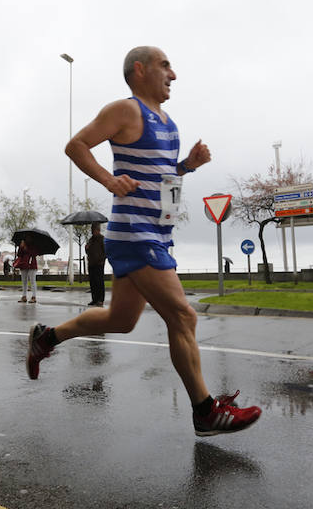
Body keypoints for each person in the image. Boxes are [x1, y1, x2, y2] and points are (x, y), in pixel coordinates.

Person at [26, 46, 262, 436]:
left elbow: (164, 176)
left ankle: (46, 338)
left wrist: (188, 166)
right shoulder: (126, 110)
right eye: (165, 65)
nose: (173, 74)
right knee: (183, 316)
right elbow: (76, 145)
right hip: (135, 233)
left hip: (156, 233)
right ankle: (205, 411)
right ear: (140, 70)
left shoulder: (169, 124)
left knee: (120, 321)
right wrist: (109, 180)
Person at [85, 223, 106, 307]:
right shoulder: (91, 239)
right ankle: (94, 299)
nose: (92, 231)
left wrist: (101, 260)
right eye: (91, 230)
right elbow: (88, 251)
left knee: (99, 282)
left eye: (93, 230)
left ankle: (100, 300)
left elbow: (106, 251)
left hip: (99, 264)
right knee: (93, 282)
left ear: (98, 230)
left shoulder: (102, 239)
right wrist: (86, 248)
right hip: (91, 264)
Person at [14, 237, 38, 303]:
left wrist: (26, 248)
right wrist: (21, 247)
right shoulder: (22, 243)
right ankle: (24, 296)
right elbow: (19, 254)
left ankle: (34, 297)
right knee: (24, 281)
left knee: (32, 281)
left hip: (32, 264)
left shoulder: (34, 244)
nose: (27, 238)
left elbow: (34, 253)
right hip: (23, 264)